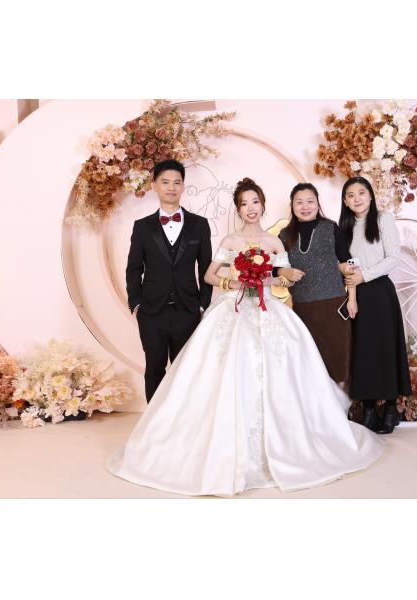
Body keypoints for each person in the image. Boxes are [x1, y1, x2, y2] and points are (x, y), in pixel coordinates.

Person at [108, 177, 384, 496]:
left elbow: (285, 279)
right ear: (238, 209)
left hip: (268, 310)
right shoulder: (230, 240)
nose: (250, 208)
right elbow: (209, 275)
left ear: (263, 206)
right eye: (244, 203)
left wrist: (269, 280)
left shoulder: (275, 241)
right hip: (233, 308)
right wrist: (235, 282)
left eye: (255, 202)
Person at [125, 159, 212, 402]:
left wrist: (202, 305)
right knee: (154, 369)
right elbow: (134, 269)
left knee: (187, 371)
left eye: (176, 182)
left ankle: (184, 421)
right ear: (154, 185)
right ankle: (154, 422)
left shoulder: (199, 225)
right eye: (165, 182)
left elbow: (206, 268)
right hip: (151, 311)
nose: (171, 187)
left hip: (188, 310)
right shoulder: (142, 227)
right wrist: (136, 304)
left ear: (183, 186)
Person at [339, 176, 412, 434]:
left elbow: (394, 257)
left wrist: (365, 276)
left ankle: (390, 409)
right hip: (357, 295)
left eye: (361, 192)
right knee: (363, 351)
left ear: (370, 195)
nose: (357, 198)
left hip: (380, 292)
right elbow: (347, 266)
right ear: (345, 201)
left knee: (385, 348)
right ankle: (369, 409)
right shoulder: (344, 228)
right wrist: (352, 294)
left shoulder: (383, 220)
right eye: (351, 195)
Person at [277, 183, 355, 387]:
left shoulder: (330, 228)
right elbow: (271, 267)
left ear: (318, 203)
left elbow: (348, 263)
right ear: (292, 205)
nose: (305, 207)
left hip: (334, 304)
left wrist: (352, 299)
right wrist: (284, 271)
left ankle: (340, 405)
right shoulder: (284, 235)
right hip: (302, 308)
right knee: (309, 364)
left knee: (337, 360)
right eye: (299, 202)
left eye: (310, 201)